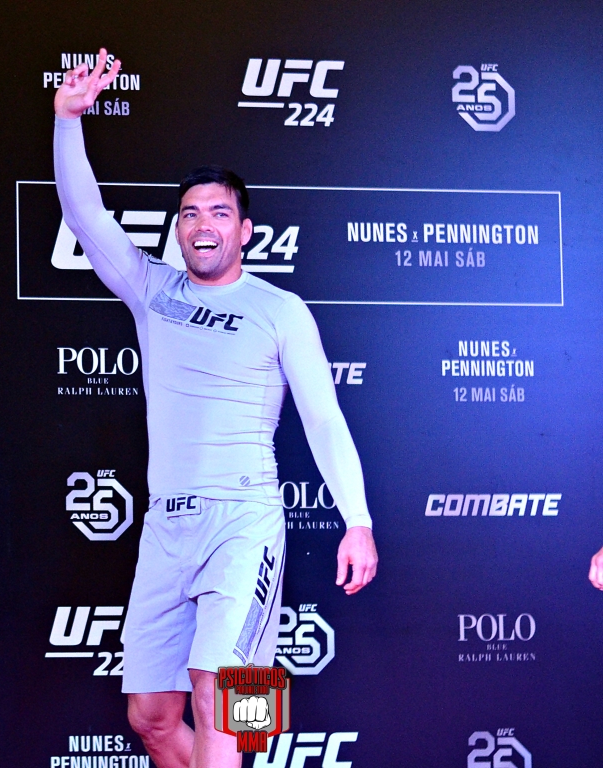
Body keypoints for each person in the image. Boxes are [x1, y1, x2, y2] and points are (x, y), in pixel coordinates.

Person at [53, 49, 378, 768]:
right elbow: (84, 215)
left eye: (220, 213)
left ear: (245, 231)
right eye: (190, 213)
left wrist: (357, 520)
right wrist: (68, 121)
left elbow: (323, 418)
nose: (203, 224)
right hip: (165, 525)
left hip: (244, 520)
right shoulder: (153, 290)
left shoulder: (280, 309)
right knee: (150, 716)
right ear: (178, 230)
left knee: (222, 698)